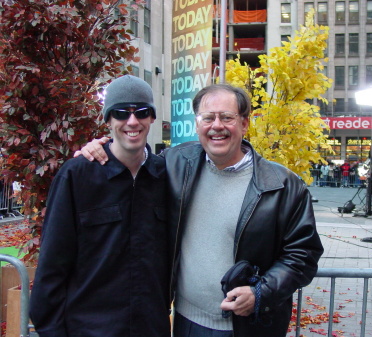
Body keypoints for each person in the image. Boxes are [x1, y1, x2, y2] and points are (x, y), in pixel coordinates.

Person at [78, 83, 324, 337]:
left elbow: (303, 254)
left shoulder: (283, 185)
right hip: (186, 323)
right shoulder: (174, 164)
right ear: (197, 124)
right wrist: (101, 147)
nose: (216, 126)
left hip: (251, 326)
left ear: (244, 124)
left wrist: (261, 292)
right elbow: (132, 159)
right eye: (208, 118)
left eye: (227, 117)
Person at [29, 75, 171, 337]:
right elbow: (52, 265)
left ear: (152, 118)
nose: (132, 121)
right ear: (107, 120)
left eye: (141, 112)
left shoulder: (167, 175)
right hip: (89, 329)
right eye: (120, 113)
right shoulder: (77, 176)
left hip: (151, 328)